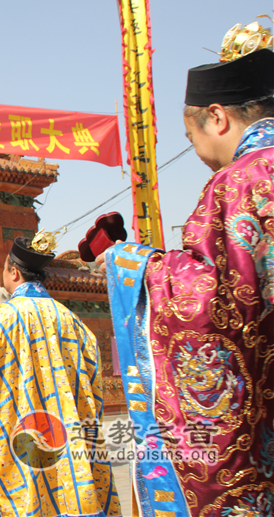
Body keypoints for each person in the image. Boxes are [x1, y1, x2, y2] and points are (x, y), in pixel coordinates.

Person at [98, 26, 274, 515]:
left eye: (190, 136)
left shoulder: (238, 184)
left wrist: (133, 263)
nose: (196, 152)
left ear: (216, 117)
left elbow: (210, 306)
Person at [0, 234, 121, 517]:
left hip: (24, 430)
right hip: (68, 429)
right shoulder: (69, 319)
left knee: (30, 490)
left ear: (14, 272)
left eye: (5, 269)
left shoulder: (2, 318)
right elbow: (93, 372)